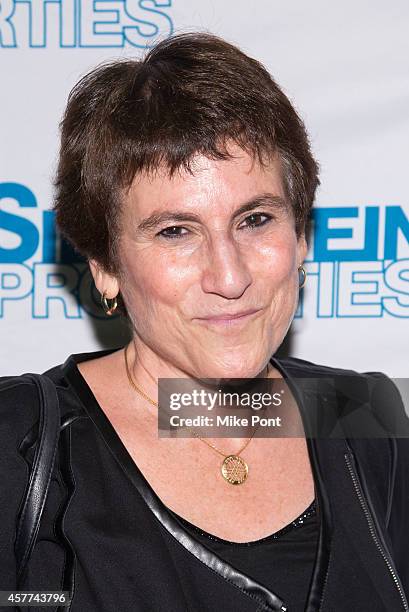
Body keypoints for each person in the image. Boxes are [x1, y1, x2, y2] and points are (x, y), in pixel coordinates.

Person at [1, 32, 408, 612]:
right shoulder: (19, 445)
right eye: (175, 231)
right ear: (106, 267)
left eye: (256, 219)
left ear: (303, 237)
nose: (229, 275)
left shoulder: (361, 414)